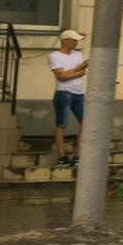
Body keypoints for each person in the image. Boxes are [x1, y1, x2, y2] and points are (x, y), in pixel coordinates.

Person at [47, 29, 86, 165]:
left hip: (79, 93)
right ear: (65, 41)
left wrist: (68, 73)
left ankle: (78, 155)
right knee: (61, 124)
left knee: (86, 124)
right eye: (74, 40)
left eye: (76, 40)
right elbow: (62, 78)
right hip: (63, 92)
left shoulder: (78, 54)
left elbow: (81, 73)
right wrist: (78, 69)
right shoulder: (54, 56)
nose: (76, 43)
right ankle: (61, 156)